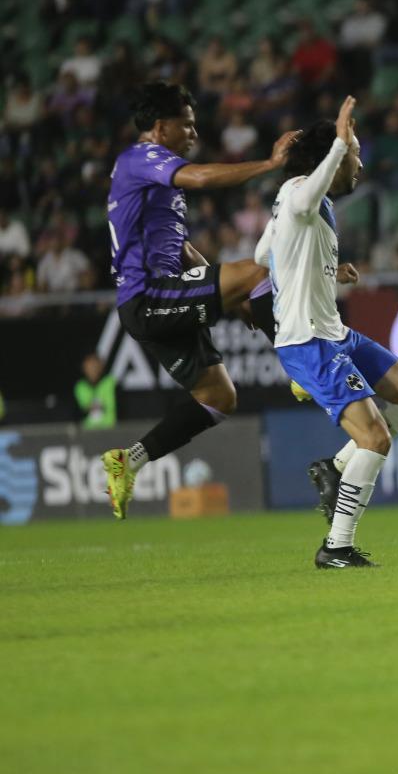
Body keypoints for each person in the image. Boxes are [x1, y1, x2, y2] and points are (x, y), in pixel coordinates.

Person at [99, 82, 297, 520]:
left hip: (158, 297)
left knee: (218, 397)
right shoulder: (142, 158)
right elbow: (204, 176)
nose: (193, 132)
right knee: (258, 272)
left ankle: (128, 460)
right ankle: (300, 368)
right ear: (161, 127)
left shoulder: (156, 179)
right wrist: (270, 163)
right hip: (150, 295)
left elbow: (183, 249)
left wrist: (231, 295)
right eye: (185, 125)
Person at [256, 98, 398, 569]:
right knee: (375, 439)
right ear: (330, 157)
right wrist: (339, 139)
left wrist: (325, 270)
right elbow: (300, 206)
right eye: (354, 152)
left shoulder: (306, 206)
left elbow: (261, 256)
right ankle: (335, 547)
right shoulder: (299, 194)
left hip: (336, 332)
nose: (359, 161)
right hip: (309, 341)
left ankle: (335, 468)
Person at [75, 353, 116, 430]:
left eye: (94, 366)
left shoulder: (110, 382)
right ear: (83, 368)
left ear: (100, 366)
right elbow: (80, 410)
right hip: (89, 430)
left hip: (110, 429)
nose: (92, 370)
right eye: (89, 367)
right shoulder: (80, 386)